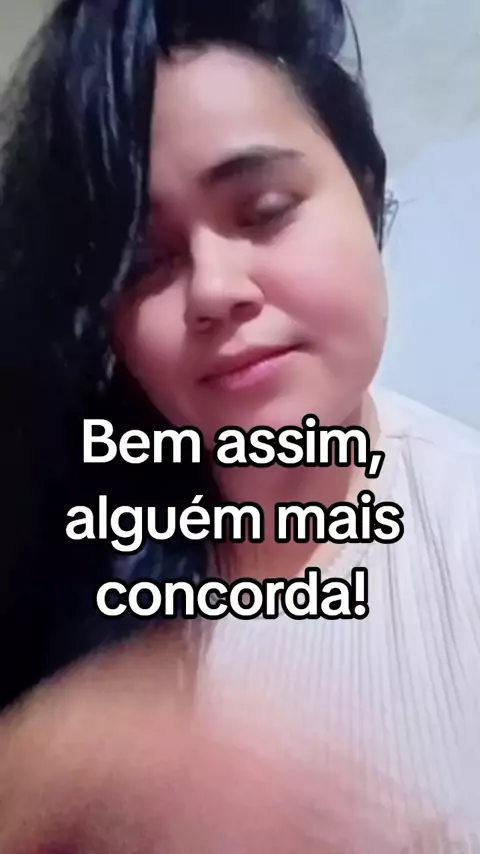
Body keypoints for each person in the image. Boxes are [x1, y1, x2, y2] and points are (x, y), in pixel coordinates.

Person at [0, 0, 479, 849]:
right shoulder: (61, 555)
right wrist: (48, 763)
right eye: (145, 261)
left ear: (367, 193)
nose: (215, 289)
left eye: (263, 209)